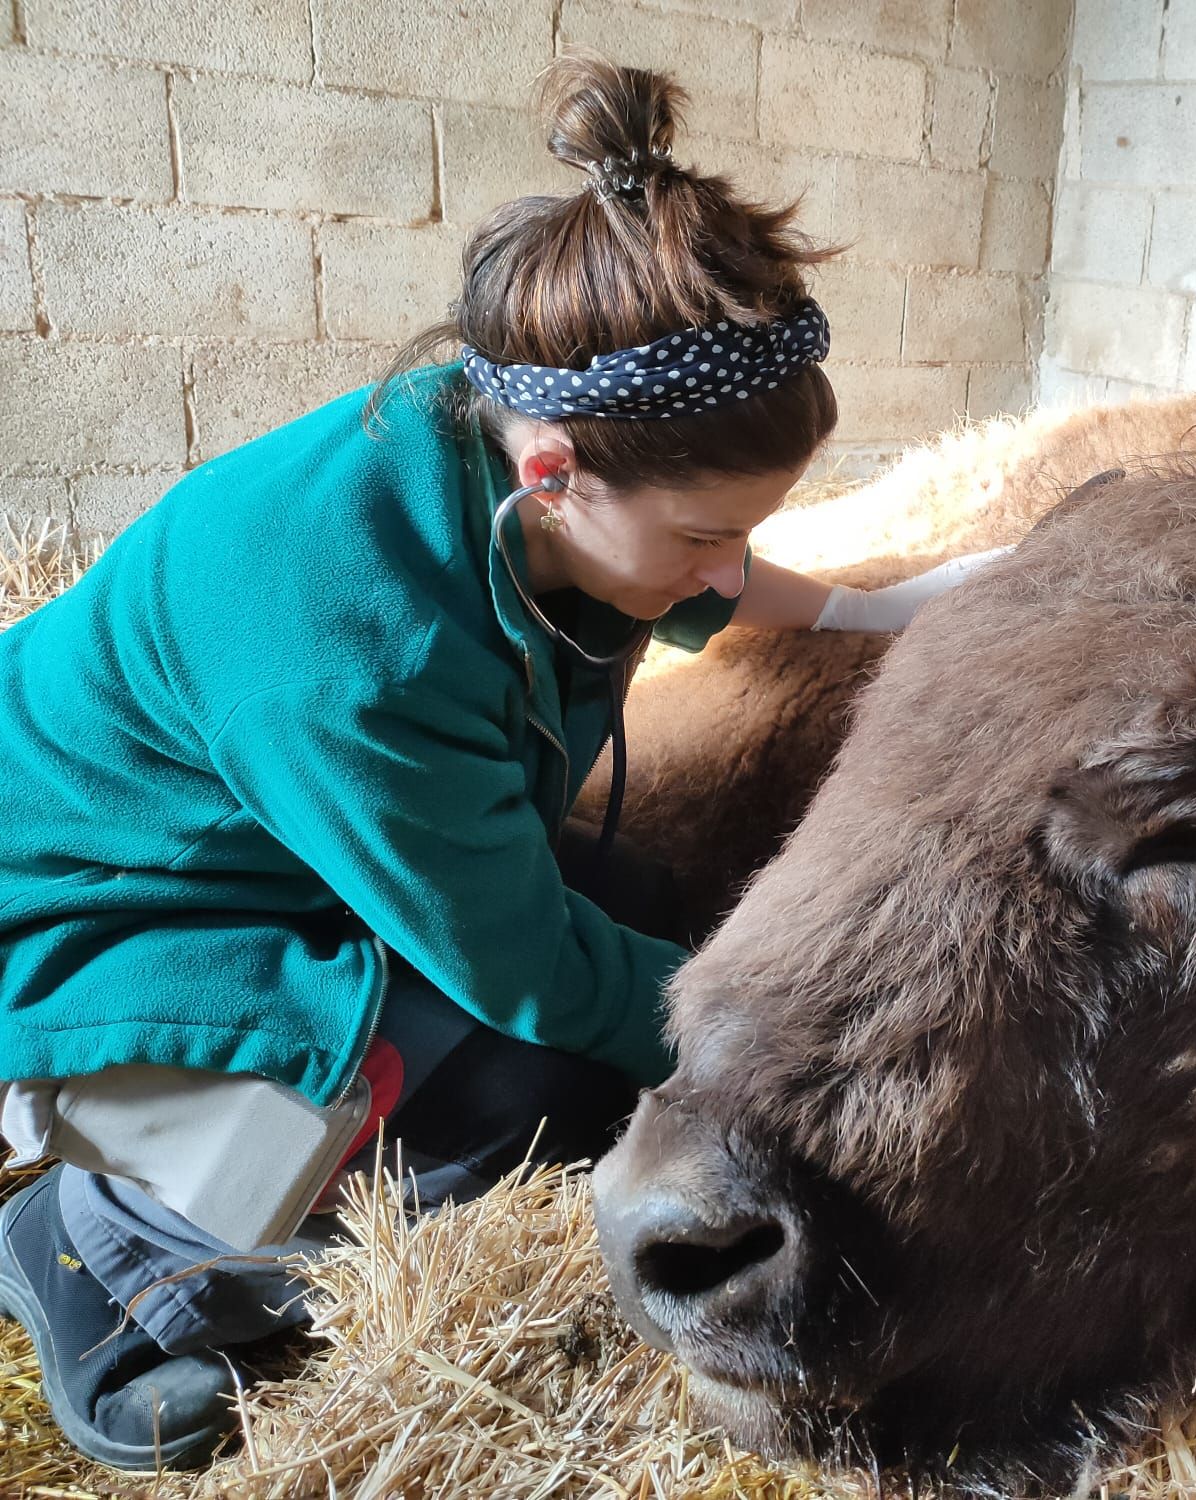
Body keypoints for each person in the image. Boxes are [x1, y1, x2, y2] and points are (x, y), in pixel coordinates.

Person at [0, 57, 995, 1471]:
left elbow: (680, 571)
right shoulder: (351, 651)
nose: (727, 568)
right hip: (99, 912)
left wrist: (877, 605)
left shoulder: (504, 436)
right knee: (519, 1083)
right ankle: (109, 1249)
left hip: (292, 844)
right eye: (707, 535)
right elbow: (523, 967)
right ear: (557, 474)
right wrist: (783, 1062)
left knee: (668, 918)